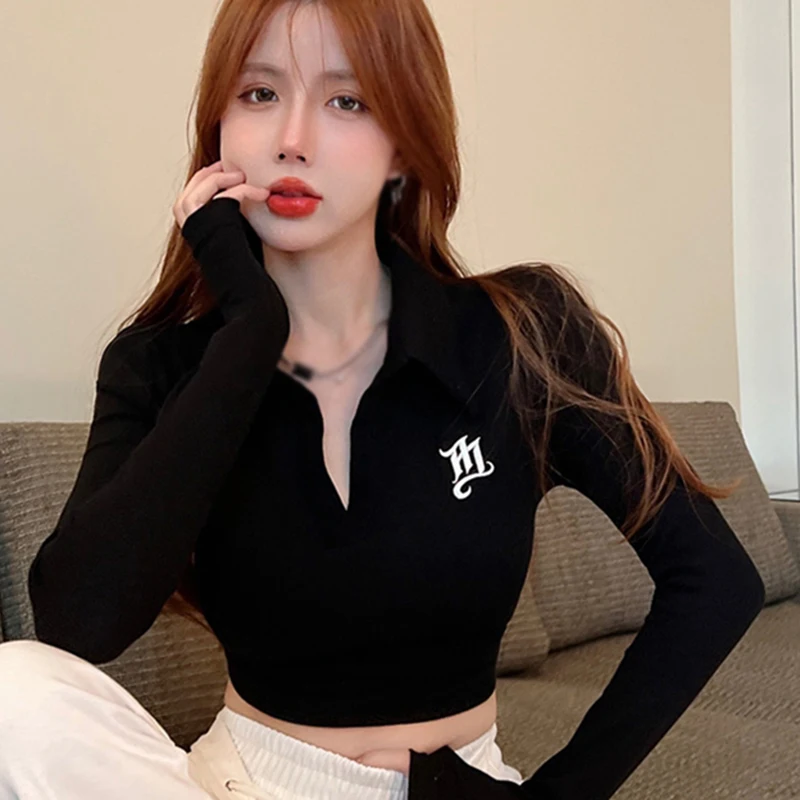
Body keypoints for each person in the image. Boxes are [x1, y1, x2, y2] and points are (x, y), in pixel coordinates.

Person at [0, 0, 766, 799]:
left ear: (403, 144)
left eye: (347, 100)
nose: (292, 138)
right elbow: (78, 624)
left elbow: (714, 578)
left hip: (451, 785)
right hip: (238, 781)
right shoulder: (162, 363)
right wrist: (250, 331)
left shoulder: (522, 334)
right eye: (259, 94)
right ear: (219, 132)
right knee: (11, 691)